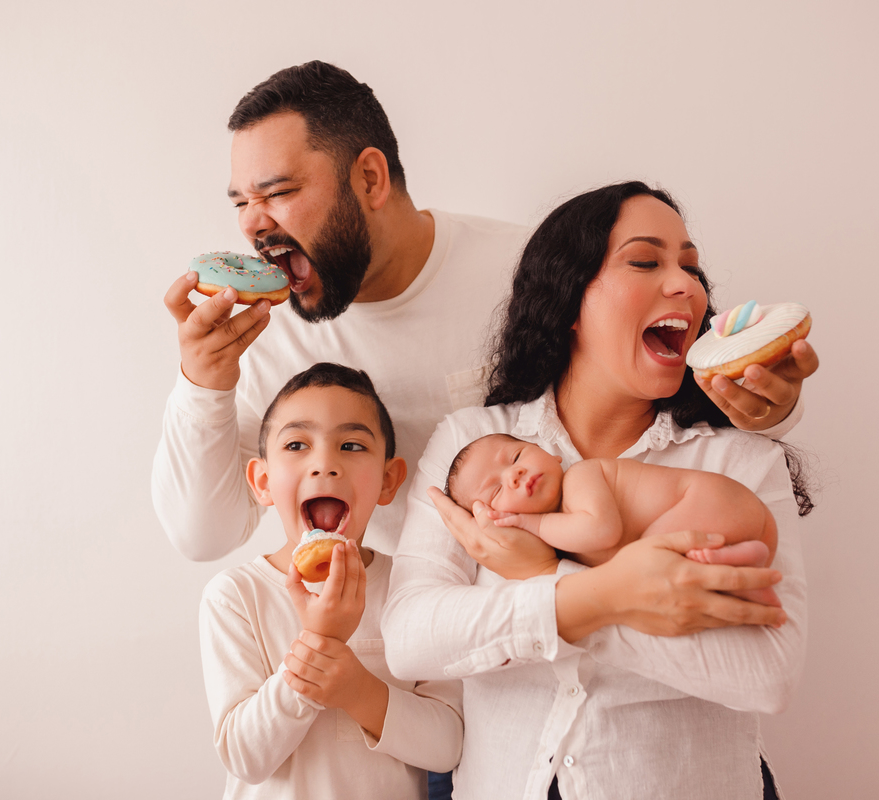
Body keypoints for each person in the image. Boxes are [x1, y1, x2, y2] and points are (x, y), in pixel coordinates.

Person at [155, 61, 817, 799]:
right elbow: (205, 534)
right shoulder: (266, 337)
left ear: (370, 179)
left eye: (277, 192)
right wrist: (201, 384)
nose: (251, 224)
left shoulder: (520, 267)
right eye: (241, 201)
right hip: (455, 702)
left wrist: (763, 403)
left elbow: (764, 663)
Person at [381, 182, 812, 800]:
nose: (686, 284)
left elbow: (769, 674)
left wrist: (550, 581)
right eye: (646, 261)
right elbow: (410, 638)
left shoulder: (740, 463)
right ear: (569, 299)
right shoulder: (473, 443)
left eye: (691, 267)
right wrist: (602, 595)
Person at [199, 362, 463, 800]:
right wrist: (320, 640)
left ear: (388, 480)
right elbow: (246, 758)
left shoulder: (417, 586)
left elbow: (448, 746)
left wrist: (358, 691)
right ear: (263, 483)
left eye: (352, 445)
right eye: (298, 444)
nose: (325, 464)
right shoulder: (235, 597)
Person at [443, 432, 780, 605]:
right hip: (730, 526)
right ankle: (745, 564)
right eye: (496, 491)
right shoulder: (558, 540)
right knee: (665, 578)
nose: (514, 474)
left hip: (710, 500)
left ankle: (742, 559)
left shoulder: (582, 476)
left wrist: (534, 524)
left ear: (550, 453)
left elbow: (602, 531)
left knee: (648, 563)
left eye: (516, 456)